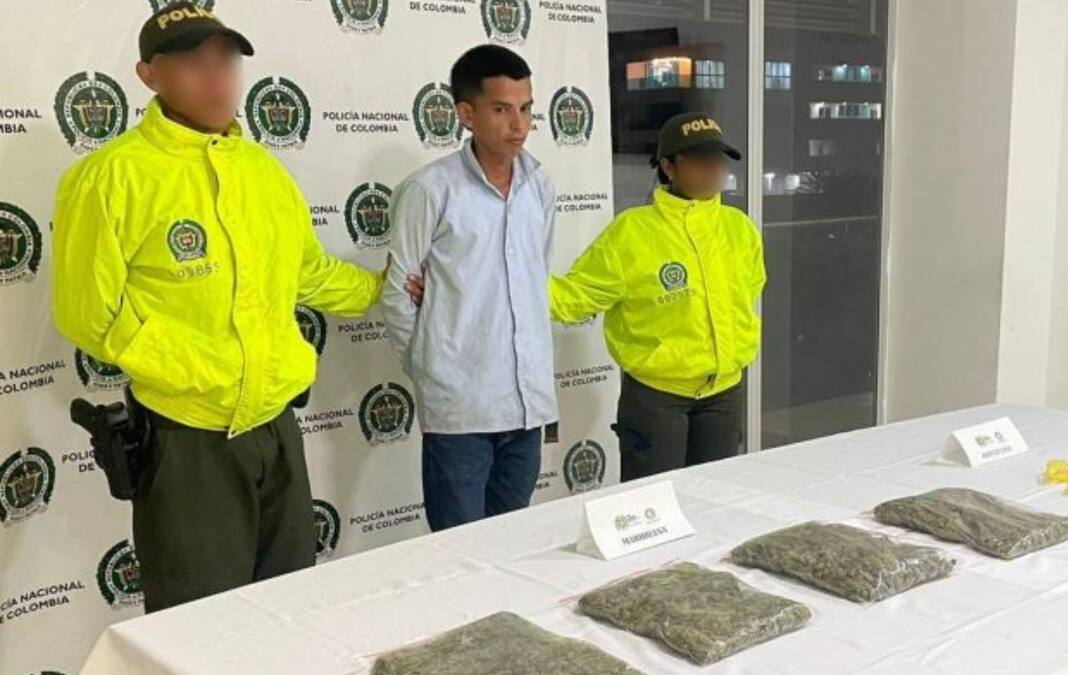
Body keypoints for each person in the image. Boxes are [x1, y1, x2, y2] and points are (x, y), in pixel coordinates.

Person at [52, 1, 385, 612]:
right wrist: (198, 373)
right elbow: (88, 313)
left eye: (226, 61)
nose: (216, 79)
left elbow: (307, 273)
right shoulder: (110, 177)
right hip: (187, 438)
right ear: (149, 75)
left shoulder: (264, 171)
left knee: (289, 609)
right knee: (198, 623)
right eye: (192, 62)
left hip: (276, 426)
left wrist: (386, 289)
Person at [406, 112, 765, 482]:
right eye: (700, 160)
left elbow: (749, 294)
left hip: (725, 394)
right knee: (654, 500)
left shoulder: (740, 229)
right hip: (658, 399)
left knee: (715, 497)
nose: (713, 170)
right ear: (668, 167)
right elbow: (575, 296)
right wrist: (471, 283)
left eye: (718, 160)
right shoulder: (632, 232)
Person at [380, 45, 557, 532]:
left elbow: (536, 277)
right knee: (459, 552)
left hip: (527, 403)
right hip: (461, 409)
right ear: (466, 114)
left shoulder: (540, 185)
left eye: (526, 109)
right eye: (501, 109)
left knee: (511, 542)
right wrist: (432, 366)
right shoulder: (430, 189)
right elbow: (398, 292)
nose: (518, 125)